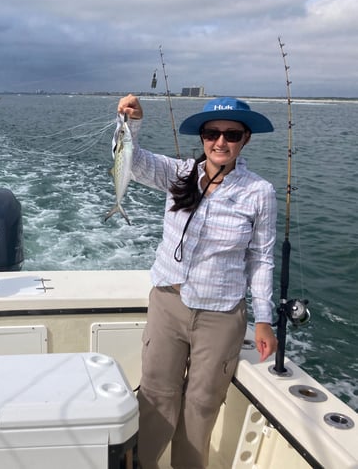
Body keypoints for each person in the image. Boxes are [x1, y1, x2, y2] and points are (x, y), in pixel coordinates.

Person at [115, 95, 278, 468]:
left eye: (232, 134)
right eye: (211, 133)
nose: (220, 142)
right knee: (156, 394)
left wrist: (265, 320)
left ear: (245, 139)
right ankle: (141, 464)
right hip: (168, 303)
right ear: (202, 137)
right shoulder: (180, 173)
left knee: (202, 404)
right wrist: (130, 122)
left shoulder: (259, 192)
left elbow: (262, 258)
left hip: (220, 315)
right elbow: (134, 163)